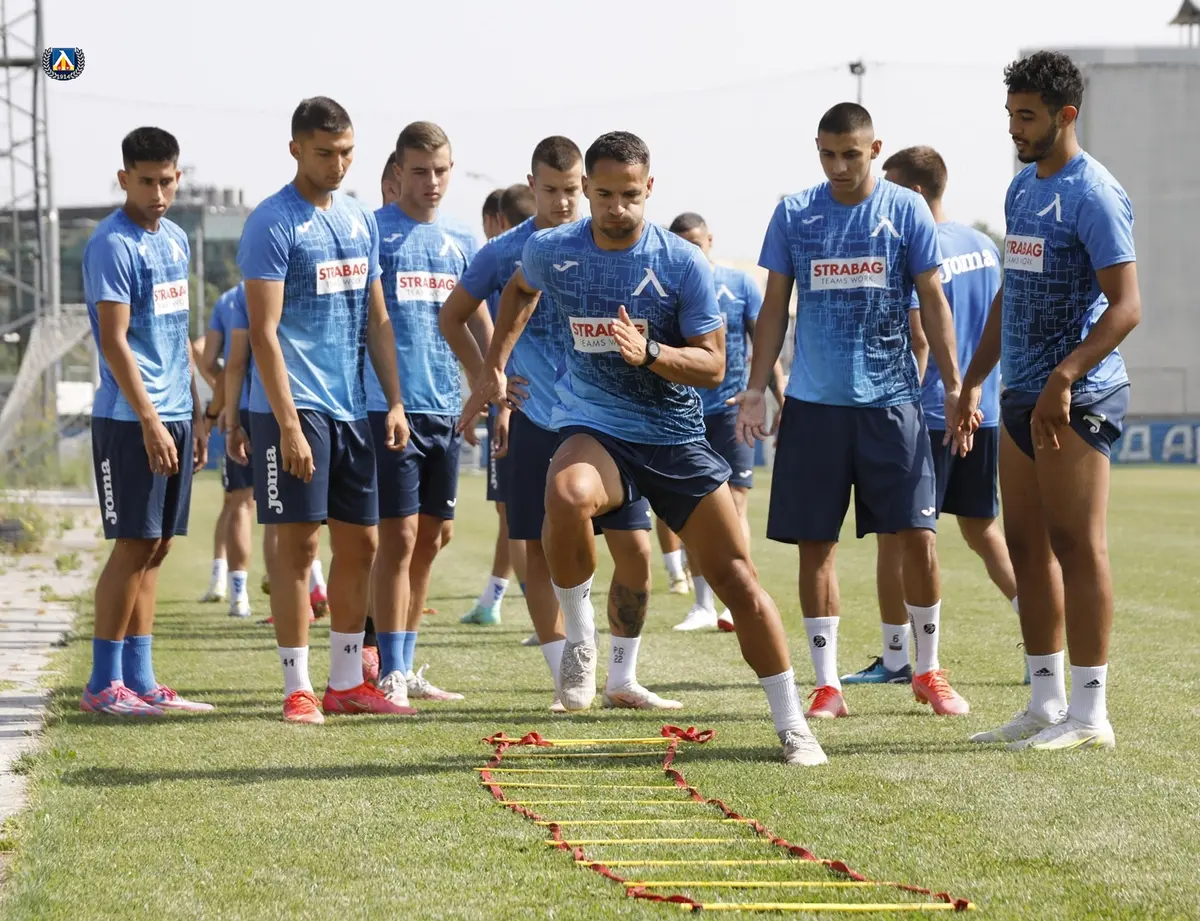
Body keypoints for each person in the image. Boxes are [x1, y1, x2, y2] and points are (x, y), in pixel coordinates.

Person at [461, 131, 825, 764]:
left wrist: (650, 352)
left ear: (649, 188)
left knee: (737, 580)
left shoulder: (682, 262)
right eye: (603, 194)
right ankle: (581, 641)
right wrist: (495, 365)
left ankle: (792, 724)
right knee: (565, 493)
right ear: (586, 189)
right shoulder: (551, 248)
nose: (616, 207)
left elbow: (713, 366)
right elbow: (519, 291)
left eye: (629, 195)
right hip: (594, 425)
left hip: (673, 437)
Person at [739, 102, 971, 722]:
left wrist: (953, 385)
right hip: (814, 409)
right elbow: (773, 308)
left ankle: (927, 670)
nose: (838, 166)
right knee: (816, 545)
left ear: (875, 149)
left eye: (850, 153)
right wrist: (757, 386)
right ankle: (826, 686)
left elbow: (934, 302)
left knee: (918, 537)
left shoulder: (907, 210)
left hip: (893, 404)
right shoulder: (794, 213)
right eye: (827, 154)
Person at [446, 136, 674, 711]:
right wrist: (491, 376)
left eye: (572, 189)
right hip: (537, 419)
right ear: (532, 187)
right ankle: (565, 675)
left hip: (609, 424)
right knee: (539, 549)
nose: (563, 201)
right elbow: (452, 316)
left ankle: (622, 679)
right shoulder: (506, 251)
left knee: (635, 549)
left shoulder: (611, 244)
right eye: (550, 190)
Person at [961, 52, 1140, 751]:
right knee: (1026, 546)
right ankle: (1045, 702)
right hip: (1020, 395)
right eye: (1011, 114)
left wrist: (1064, 378)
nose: (1015, 128)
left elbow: (1126, 307)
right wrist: (973, 379)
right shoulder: (1020, 189)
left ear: (1066, 115)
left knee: (1076, 544)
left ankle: (1090, 715)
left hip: (1078, 395)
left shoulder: (1095, 193)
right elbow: (1011, 293)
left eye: (1027, 116)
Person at [238, 96, 415, 723]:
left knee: (363, 543)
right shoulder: (272, 222)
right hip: (293, 407)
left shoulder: (360, 218)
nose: (337, 164)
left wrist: (395, 400)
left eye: (346, 153)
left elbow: (378, 318)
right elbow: (264, 333)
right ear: (295, 149)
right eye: (324, 153)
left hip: (351, 408)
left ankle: (345, 684)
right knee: (299, 546)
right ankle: (298, 688)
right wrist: (287, 425)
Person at [836, 147, 1022, 686]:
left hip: (927, 412)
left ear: (914, 194)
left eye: (890, 188)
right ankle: (1041, 635)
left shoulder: (914, 244)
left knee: (896, 536)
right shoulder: (983, 245)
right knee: (983, 530)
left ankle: (896, 659)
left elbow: (920, 336)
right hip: (981, 408)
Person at [80, 126, 213, 716]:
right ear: (124, 179)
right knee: (133, 544)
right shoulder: (111, 244)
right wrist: (150, 419)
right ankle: (102, 684)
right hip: (130, 418)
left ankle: (141, 679)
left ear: (178, 177)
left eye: (166, 181)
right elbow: (114, 342)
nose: (158, 194)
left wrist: (196, 410)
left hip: (177, 413)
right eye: (146, 182)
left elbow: (177, 333)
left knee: (157, 547)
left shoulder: (177, 239)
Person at [366, 121, 481, 705]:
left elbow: (478, 316)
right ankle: (387, 668)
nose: (430, 181)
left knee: (432, 539)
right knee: (400, 537)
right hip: (389, 410)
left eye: (439, 170)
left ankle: (406, 666)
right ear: (398, 172)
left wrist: (491, 383)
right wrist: (390, 400)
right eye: (419, 171)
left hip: (446, 411)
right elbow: (371, 321)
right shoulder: (375, 233)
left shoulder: (462, 239)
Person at [666, 213, 784, 633]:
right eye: (684, 245)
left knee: (735, 505)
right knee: (693, 509)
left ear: (710, 241)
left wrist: (779, 399)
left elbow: (763, 342)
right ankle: (702, 603)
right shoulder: (669, 287)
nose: (692, 252)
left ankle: (736, 600)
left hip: (733, 410)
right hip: (685, 413)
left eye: (697, 243)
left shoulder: (739, 284)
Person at [462, 183, 535, 628]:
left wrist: (486, 398)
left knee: (513, 513)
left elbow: (478, 336)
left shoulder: (497, 265)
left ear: (497, 221)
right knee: (521, 513)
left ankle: (544, 618)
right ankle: (494, 599)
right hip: (548, 404)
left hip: (512, 403)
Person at [199, 284, 255, 618]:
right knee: (290, 513)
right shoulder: (292, 282)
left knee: (238, 504)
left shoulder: (230, 298)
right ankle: (308, 589)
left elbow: (206, 357)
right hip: (292, 406)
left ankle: (237, 595)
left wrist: (222, 402)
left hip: (243, 408)